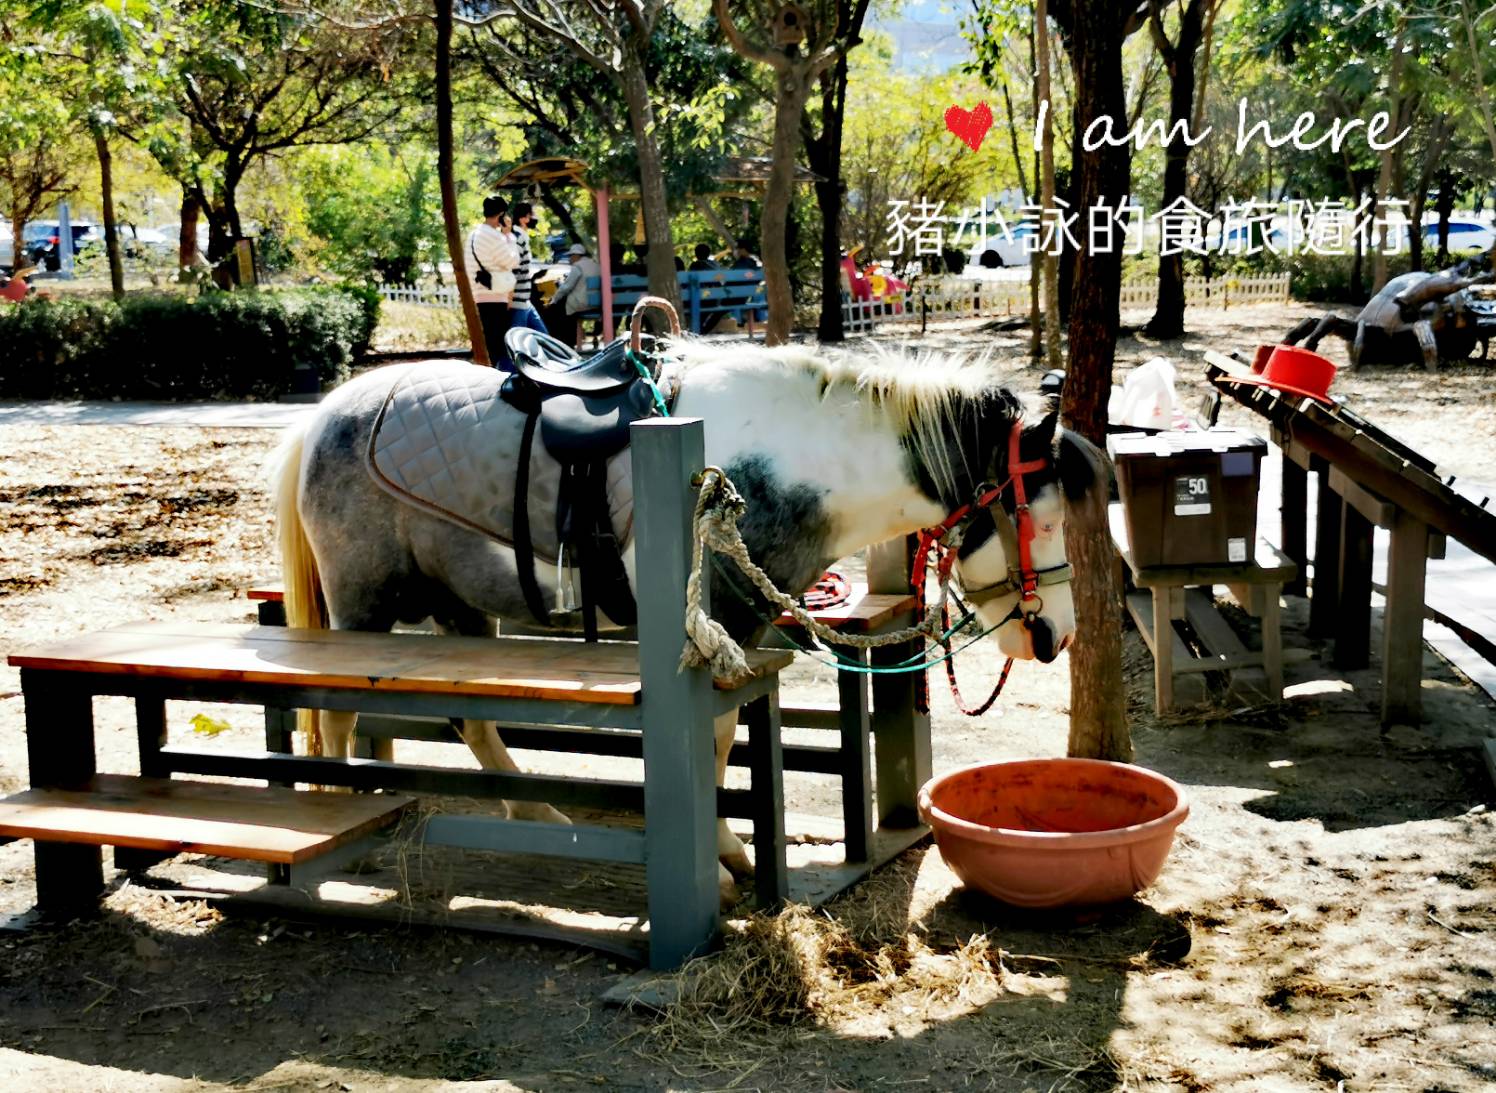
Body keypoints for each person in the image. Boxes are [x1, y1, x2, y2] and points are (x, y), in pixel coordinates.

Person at [467, 195, 519, 369]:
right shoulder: (494, 236)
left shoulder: (473, 235)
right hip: (495, 295)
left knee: (489, 343)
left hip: (478, 293)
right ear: (501, 215)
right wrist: (509, 235)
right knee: (501, 345)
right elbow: (512, 261)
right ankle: (502, 377)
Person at [506, 201, 549, 336]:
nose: (534, 218)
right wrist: (509, 298)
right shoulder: (518, 239)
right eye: (531, 215)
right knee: (516, 341)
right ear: (523, 219)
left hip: (525, 301)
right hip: (518, 302)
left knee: (543, 338)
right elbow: (514, 270)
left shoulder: (522, 237)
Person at [547, 242, 601, 348]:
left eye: (571, 256)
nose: (569, 259)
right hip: (595, 302)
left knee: (554, 309)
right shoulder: (595, 265)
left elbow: (566, 287)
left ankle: (563, 341)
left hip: (582, 303)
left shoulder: (578, 267)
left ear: (576, 255)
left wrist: (553, 299)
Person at [732, 236, 767, 339]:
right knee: (758, 292)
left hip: (739, 296)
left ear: (743, 250)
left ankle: (737, 322)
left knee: (734, 297)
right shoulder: (756, 262)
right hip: (753, 294)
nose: (736, 251)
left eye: (737, 248)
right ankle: (763, 320)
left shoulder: (740, 264)